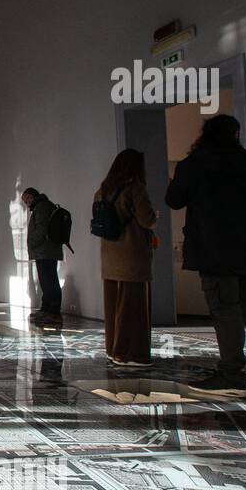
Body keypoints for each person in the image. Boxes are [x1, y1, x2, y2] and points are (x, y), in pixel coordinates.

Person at [165, 115, 246, 397]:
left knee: (225, 310)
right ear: (236, 134)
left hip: (215, 249)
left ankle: (231, 374)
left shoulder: (194, 165)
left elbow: (174, 200)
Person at [95, 149, 158, 366]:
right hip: (132, 253)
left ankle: (113, 348)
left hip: (109, 254)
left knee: (113, 304)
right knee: (134, 305)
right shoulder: (135, 188)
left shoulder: (103, 190)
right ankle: (131, 353)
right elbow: (147, 219)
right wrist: (155, 215)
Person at [21, 188, 64, 325]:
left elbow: (42, 229)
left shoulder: (42, 207)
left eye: (27, 199)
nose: (26, 203)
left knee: (49, 281)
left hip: (45, 251)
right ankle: (46, 310)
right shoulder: (43, 206)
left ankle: (53, 312)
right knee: (46, 281)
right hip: (45, 251)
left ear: (33, 196)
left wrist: (32, 243)